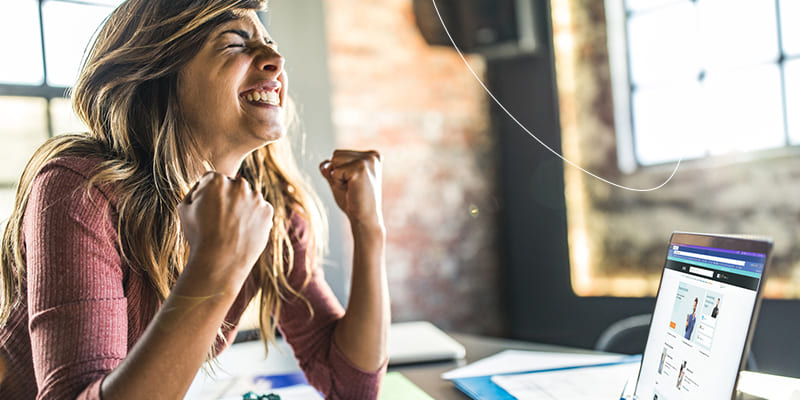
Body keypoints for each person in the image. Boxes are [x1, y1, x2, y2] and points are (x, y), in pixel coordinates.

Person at [0, 1, 389, 399]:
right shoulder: (81, 189)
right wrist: (218, 265)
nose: (275, 58)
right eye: (236, 44)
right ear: (162, 73)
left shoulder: (266, 207)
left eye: (269, 43)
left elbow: (350, 386)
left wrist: (369, 228)